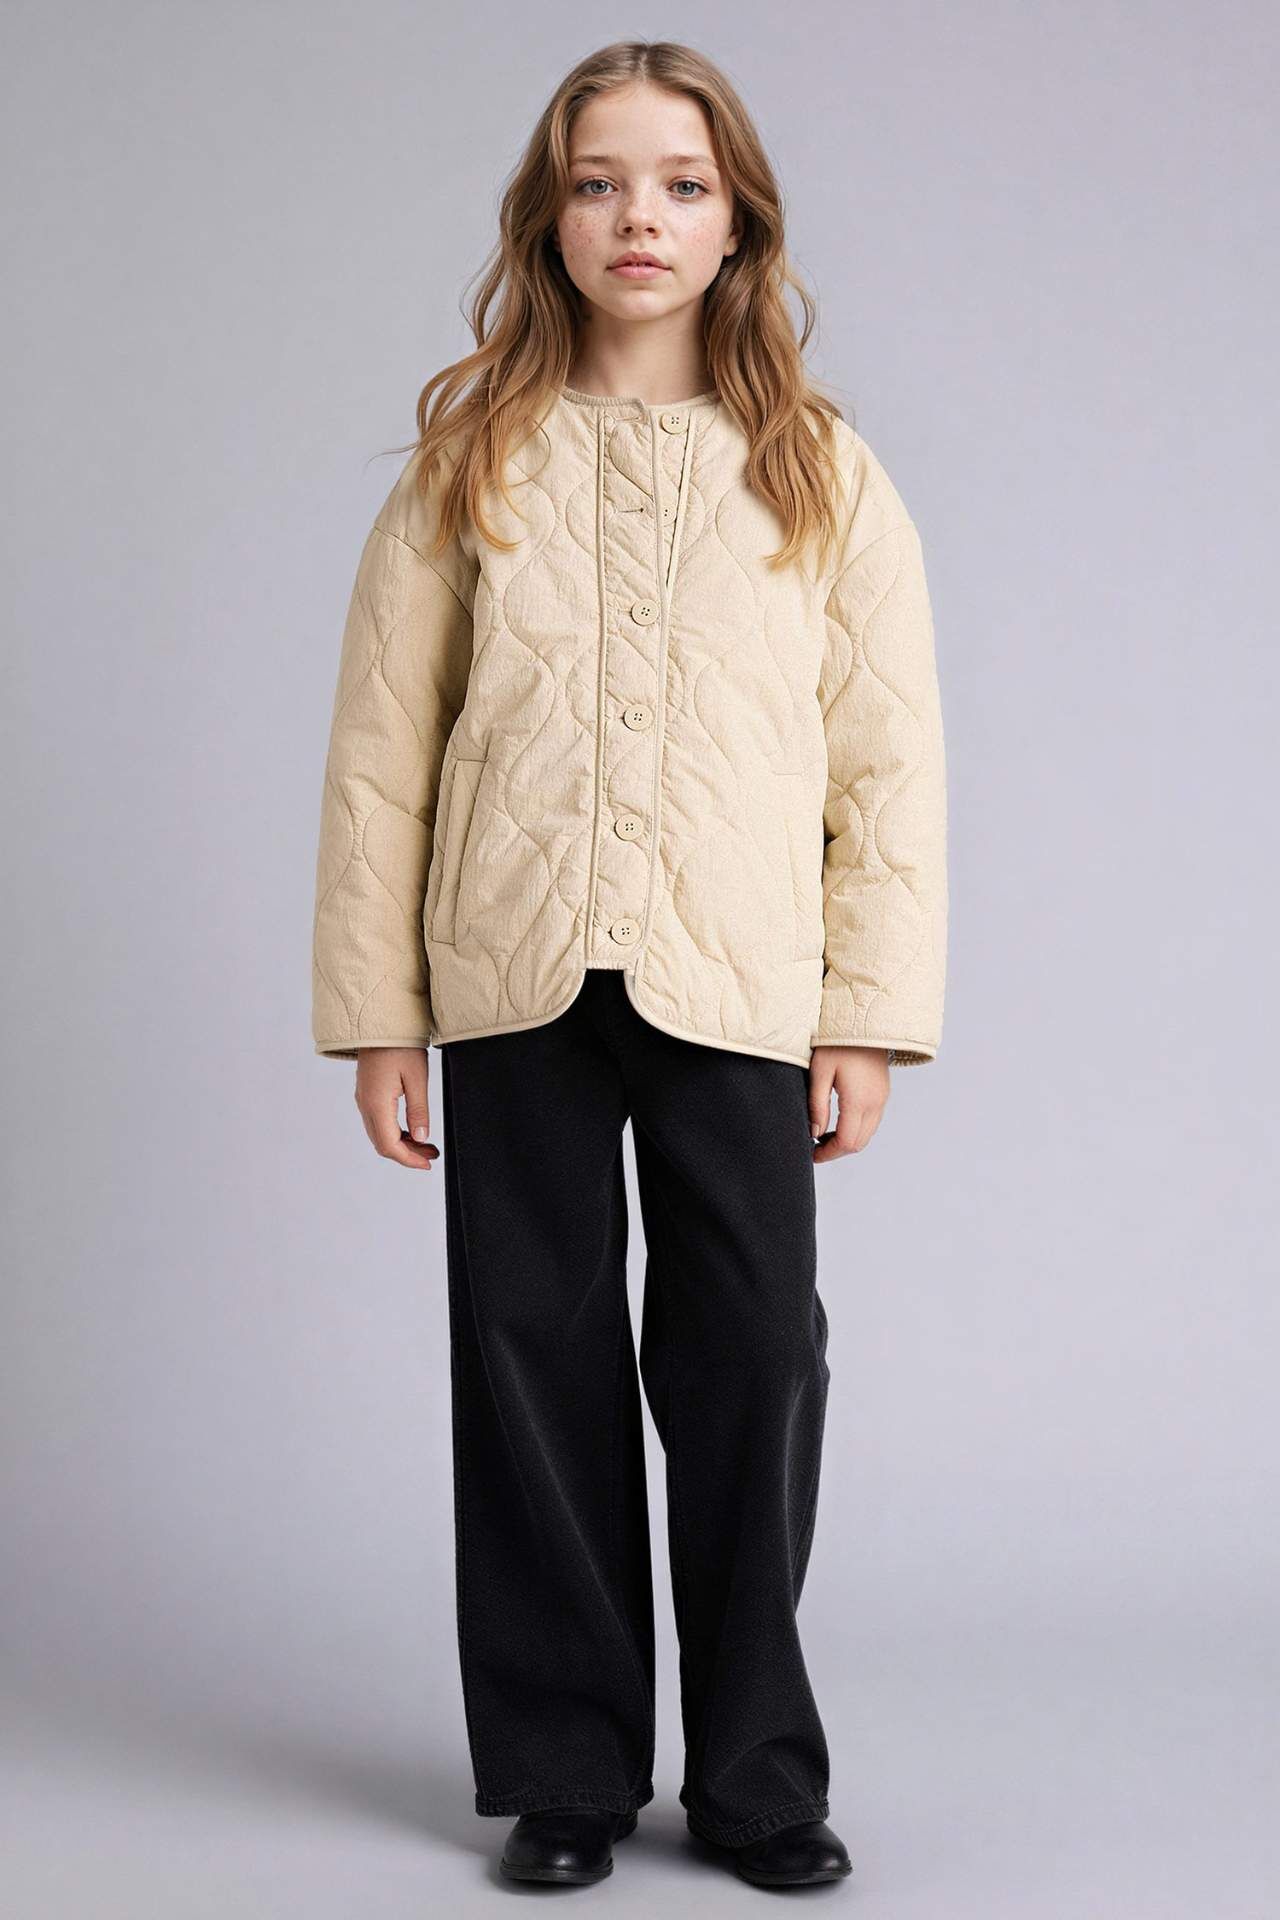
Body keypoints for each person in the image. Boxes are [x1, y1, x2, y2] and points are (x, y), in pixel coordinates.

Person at [310, 39, 947, 1892]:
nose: (639, 218)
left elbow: (888, 764)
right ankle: (567, 1768)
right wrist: (379, 1017)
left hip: (739, 987)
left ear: (738, 220)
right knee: (532, 1354)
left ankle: (756, 1773)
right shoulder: (471, 465)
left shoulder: (821, 474)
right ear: (551, 218)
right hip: (510, 977)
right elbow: (381, 753)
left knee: (753, 1357)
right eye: (599, 183)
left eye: (680, 183)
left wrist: (865, 1015)